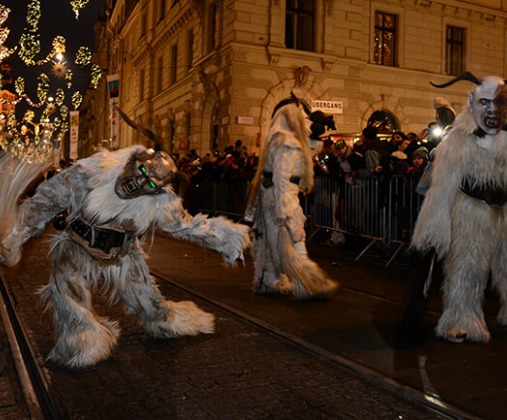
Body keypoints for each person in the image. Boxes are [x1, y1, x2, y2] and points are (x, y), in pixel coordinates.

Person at [0, 144, 250, 368]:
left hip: (123, 256)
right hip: (76, 247)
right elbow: (44, 202)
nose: (139, 184)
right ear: (133, 162)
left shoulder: (161, 200)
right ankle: (81, 342)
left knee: (152, 308)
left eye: (150, 185)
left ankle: (167, 321)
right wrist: (16, 235)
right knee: (68, 296)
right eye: (141, 173)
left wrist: (226, 237)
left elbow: (184, 226)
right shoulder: (89, 172)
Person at [411, 72, 507, 343]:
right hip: (472, 212)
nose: (493, 110)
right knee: (466, 269)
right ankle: (461, 321)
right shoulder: (458, 139)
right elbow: (443, 188)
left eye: (501, 102)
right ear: (472, 101)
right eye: (486, 103)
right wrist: (435, 228)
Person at [245, 94, 339, 299]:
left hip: (280, 193)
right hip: (281, 194)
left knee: (276, 237)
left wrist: (316, 133)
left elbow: (308, 152)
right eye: (303, 116)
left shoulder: (285, 137)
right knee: (291, 237)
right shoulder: (284, 140)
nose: (306, 120)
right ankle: (305, 281)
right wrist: (284, 205)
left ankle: (271, 278)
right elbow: (282, 173)